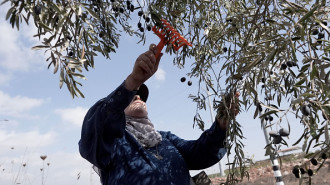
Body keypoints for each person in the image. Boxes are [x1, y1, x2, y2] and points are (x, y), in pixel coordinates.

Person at [79, 44, 239, 185]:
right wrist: (133, 81)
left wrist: (221, 125)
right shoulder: (113, 142)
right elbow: (97, 126)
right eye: (133, 95)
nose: (138, 96)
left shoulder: (165, 139)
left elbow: (201, 153)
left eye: (142, 96)